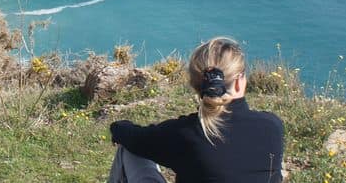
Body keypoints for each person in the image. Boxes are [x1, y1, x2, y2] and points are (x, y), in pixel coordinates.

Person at [107, 37, 284, 183]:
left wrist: (119, 126)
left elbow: (133, 137)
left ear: (196, 85)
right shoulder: (273, 126)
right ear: (239, 82)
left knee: (129, 150)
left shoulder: (185, 133)